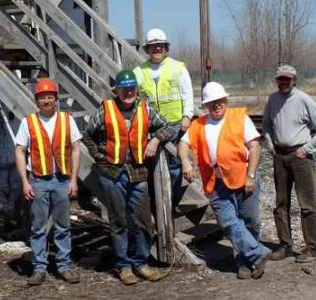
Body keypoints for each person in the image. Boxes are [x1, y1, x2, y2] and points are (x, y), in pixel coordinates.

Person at [83, 70, 173, 285]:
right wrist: (98, 155)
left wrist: (155, 140)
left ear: (136, 89)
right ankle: (123, 266)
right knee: (118, 221)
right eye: (125, 88)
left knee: (143, 220)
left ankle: (140, 263)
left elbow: (167, 127)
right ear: (118, 90)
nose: (129, 92)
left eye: (132, 87)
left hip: (137, 172)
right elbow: (87, 135)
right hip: (112, 174)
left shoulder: (145, 109)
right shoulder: (105, 109)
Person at [178, 82, 271, 280]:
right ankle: (258, 254)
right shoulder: (199, 124)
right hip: (216, 182)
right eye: (212, 103)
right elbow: (183, 143)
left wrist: (251, 176)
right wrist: (185, 161)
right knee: (228, 222)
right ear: (205, 105)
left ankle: (246, 262)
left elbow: (254, 147)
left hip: (244, 177)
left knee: (250, 222)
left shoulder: (239, 118)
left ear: (225, 101)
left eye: (220, 101)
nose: (217, 105)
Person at [15, 78, 81, 285]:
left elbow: (76, 149)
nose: (46, 101)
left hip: (62, 180)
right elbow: (19, 151)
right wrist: (25, 182)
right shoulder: (28, 122)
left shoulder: (67, 120)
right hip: (38, 180)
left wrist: (73, 180)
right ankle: (39, 268)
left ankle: (64, 266)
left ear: (56, 99)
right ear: (37, 100)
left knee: (63, 225)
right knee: (38, 226)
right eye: (42, 97)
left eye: (50, 97)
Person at [262, 65, 316, 263]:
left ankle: (311, 248)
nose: (283, 82)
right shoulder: (272, 99)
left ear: (294, 80)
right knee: (281, 204)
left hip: (300, 158)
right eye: (280, 79)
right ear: (276, 80)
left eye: (287, 79)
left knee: (307, 205)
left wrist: (307, 149)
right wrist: (270, 144)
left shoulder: (303, 99)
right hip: (280, 158)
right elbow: (266, 125)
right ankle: (285, 246)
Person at [133, 28, 194, 206]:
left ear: (166, 48)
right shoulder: (140, 71)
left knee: (175, 167)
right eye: (153, 47)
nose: (157, 49)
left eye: (160, 46)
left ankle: (171, 202)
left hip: (175, 125)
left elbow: (187, 93)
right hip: (151, 127)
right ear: (147, 50)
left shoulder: (178, 68)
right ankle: (155, 202)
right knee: (151, 166)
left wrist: (187, 116)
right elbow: (128, 88)